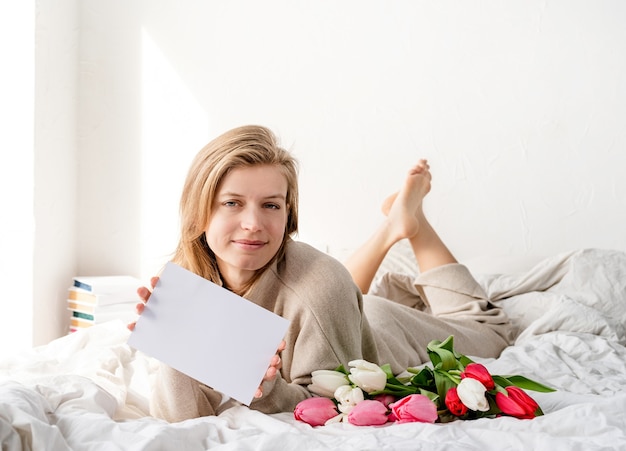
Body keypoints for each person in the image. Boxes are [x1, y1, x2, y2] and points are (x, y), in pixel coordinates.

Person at [130, 125, 513, 422]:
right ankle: (394, 226)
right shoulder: (189, 275)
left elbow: (338, 406)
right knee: (326, 293)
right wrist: (172, 351)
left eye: (271, 205)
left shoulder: (320, 289)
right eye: (232, 203)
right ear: (199, 213)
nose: (252, 224)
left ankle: (413, 225)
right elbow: (179, 422)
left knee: (488, 328)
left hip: (383, 333)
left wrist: (270, 390)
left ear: (288, 214)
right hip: (342, 311)